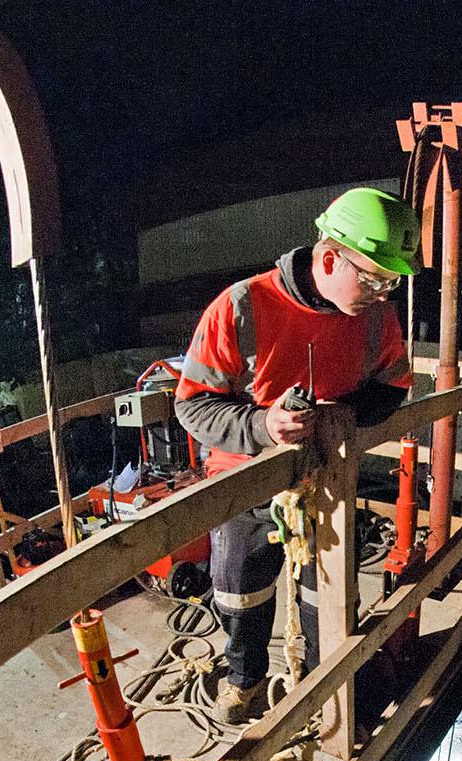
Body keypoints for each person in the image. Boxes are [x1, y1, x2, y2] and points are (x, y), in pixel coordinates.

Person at [174, 187, 421, 725]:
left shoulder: (376, 318)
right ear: (330, 258)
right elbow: (193, 407)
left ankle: (319, 688)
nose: (382, 294)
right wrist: (264, 424)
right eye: (375, 279)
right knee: (240, 594)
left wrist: (341, 413)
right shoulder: (241, 307)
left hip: (325, 486)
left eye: (391, 282)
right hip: (242, 486)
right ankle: (244, 678)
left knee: (326, 601)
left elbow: (392, 387)